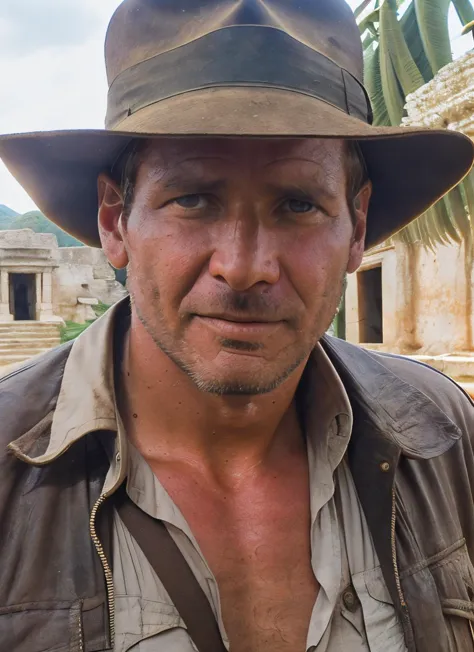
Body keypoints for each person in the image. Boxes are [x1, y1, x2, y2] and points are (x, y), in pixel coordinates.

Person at [0, 1, 473, 651]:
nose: (245, 266)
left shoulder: (442, 435)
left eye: (299, 203)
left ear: (356, 228)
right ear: (116, 220)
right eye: (192, 198)